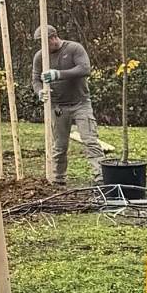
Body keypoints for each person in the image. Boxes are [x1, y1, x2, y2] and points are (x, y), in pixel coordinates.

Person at [32, 25, 106, 186]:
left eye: (45, 42)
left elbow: (84, 69)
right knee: (59, 146)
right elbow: (36, 79)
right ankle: (58, 180)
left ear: (53, 37)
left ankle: (101, 177)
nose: (43, 47)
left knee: (90, 140)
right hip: (58, 107)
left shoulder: (74, 48)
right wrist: (40, 92)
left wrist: (58, 74)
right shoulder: (40, 57)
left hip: (81, 103)